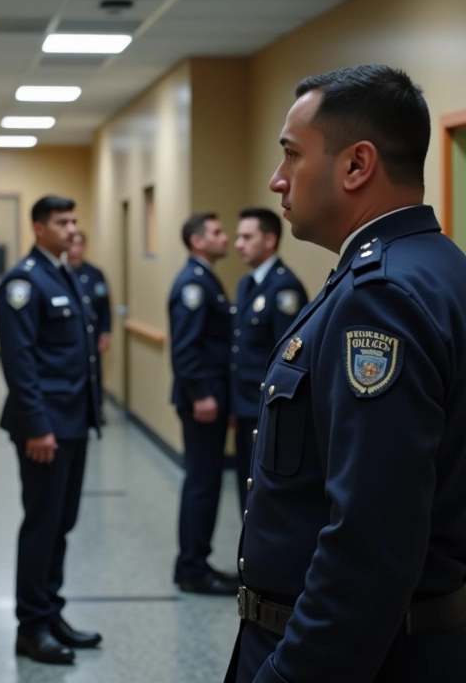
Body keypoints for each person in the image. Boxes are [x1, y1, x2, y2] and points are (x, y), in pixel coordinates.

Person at [227, 65, 466, 683]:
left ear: (356, 166)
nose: (276, 180)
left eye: (290, 155)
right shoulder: (438, 269)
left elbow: (370, 545)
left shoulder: (378, 297)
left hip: (347, 658)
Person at [0, 195, 102, 665]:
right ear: (39, 228)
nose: (72, 229)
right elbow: (20, 363)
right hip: (44, 427)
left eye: (74, 220)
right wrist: (37, 426)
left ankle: (50, 609)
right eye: (62, 222)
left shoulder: (64, 273)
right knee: (42, 523)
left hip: (73, 422)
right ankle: (31, 626)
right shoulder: (24, 282)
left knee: (63, 522)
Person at [168, 212, 238, 596]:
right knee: (202, 483)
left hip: (209, 396)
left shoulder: (205, 278)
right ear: (197, 241)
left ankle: (196, 561)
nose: (224, 238)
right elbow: (185, 347)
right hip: (202, 399)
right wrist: (202, 394)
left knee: (206, 482)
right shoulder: (193, 284)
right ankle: (193, 567)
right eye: (216, 232)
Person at [230, 208, 307, 514]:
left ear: (270, 240)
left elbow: (288, 358)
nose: (238, 244)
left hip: (266, 410)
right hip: (244, 404)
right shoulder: (247, 284)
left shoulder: (284, 287)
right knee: (244, 491)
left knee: (261, 499)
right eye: (237, 236)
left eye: (247, 237)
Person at [67, 231, 112, 423]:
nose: (76, 249)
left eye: (79, 245)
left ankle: (96, 410)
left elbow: (105, 307)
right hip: (69, 336)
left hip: (92, 333)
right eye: (72, 245)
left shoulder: (95, 274)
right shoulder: (61, 273)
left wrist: (106, 332)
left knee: (94, 372)